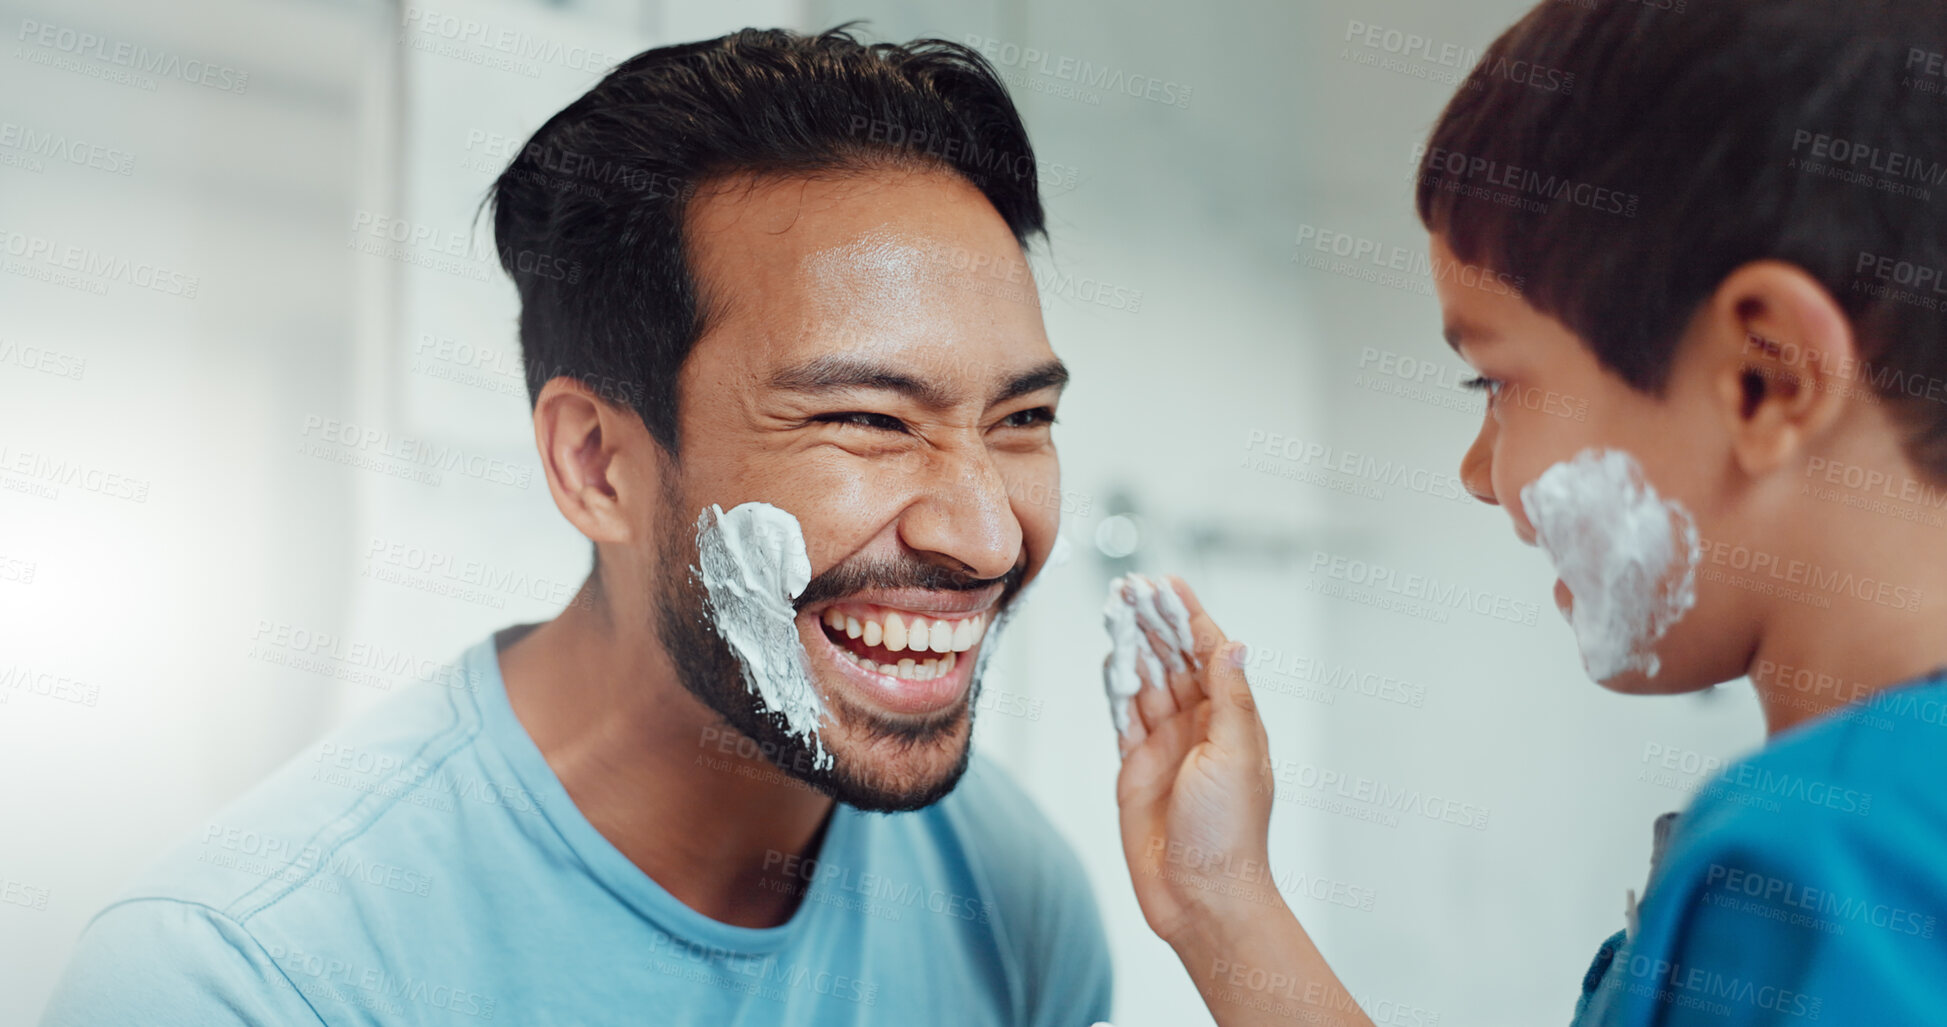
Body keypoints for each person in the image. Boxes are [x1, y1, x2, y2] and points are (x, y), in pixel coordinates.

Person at [40, 28, 1112, 1026]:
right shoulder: (237, 975)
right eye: (869, 420)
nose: (986, 537)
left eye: (1022, 419)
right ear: (597, 464)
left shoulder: (1011, 894)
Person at [1113, 0, 1947, 1023]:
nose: (1478, 472)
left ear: (1763, 378)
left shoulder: (1819, 864)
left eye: (1494, 383)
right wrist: (1220, 899)